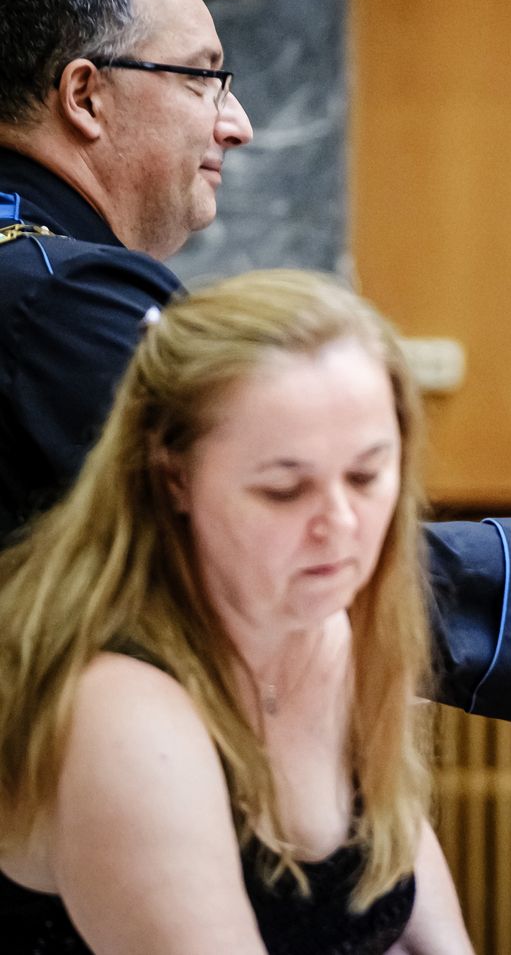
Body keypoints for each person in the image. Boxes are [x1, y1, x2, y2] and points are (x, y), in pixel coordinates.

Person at [0, 0, 511, 726]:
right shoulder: (66, 295)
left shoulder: (33, 270)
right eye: (203, 78)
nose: (237, 124)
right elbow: (246, 571)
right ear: (85, 95)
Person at [0, 269, 473, 952]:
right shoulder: (122, 713)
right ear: (173, 474)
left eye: (367, 475)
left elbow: (413, 915)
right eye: (284, 490)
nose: (341, 524)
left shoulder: (330, 622)